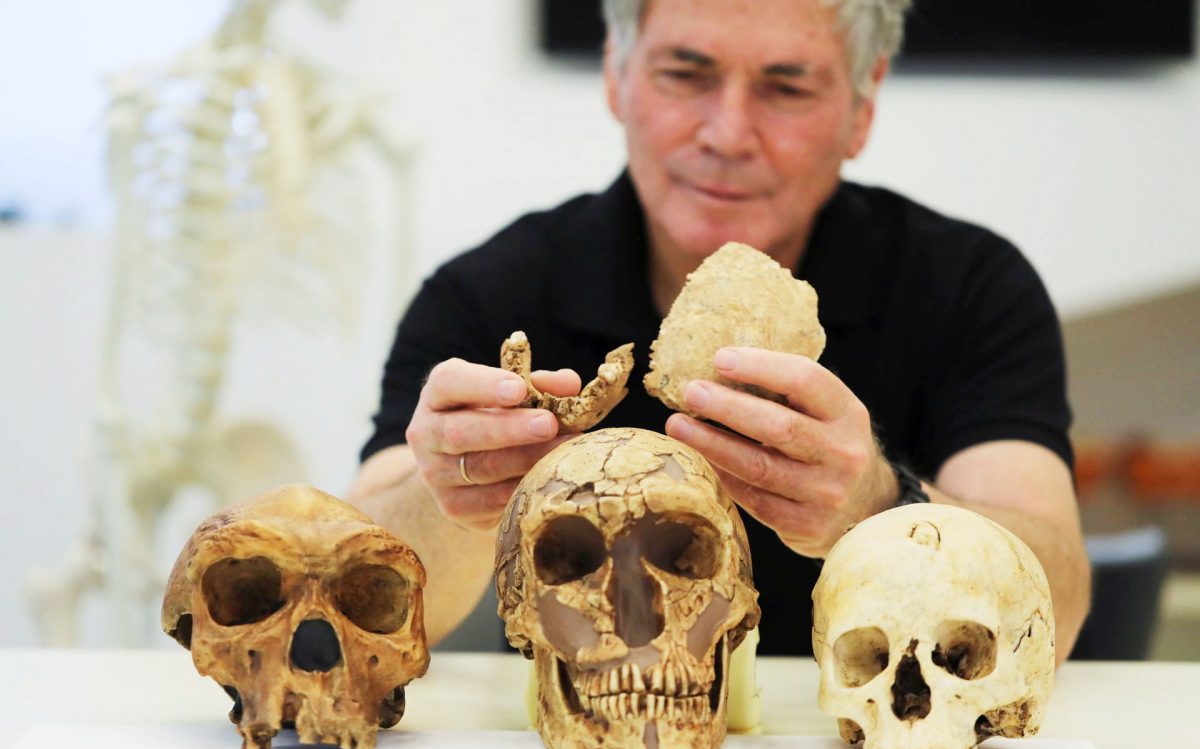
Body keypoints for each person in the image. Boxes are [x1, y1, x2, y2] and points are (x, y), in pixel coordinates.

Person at [348, 0, 1090, 661]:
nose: (729, 133)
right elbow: (350, 594)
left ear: (862, 109)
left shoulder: (968, 286)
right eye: (685, 73)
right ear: (617, 75)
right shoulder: (488, 294)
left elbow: (1057, 597)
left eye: (786, 87)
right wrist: (450, 492)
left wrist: (880, 504)